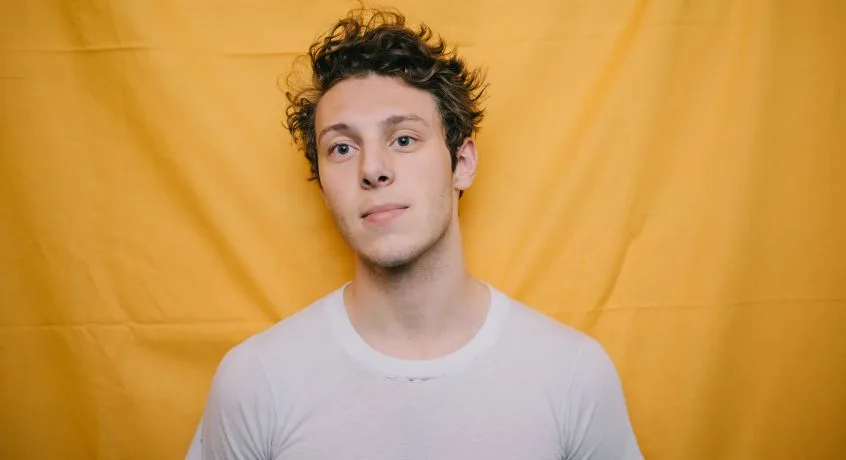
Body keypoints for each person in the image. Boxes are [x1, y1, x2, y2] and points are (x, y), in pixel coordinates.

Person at [186, 7, 642, 460]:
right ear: (323, 187)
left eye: (403, 139)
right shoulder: (256, 382)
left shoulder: (572, 376)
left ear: (462, 163)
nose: (372, 169)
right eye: (341, 148)